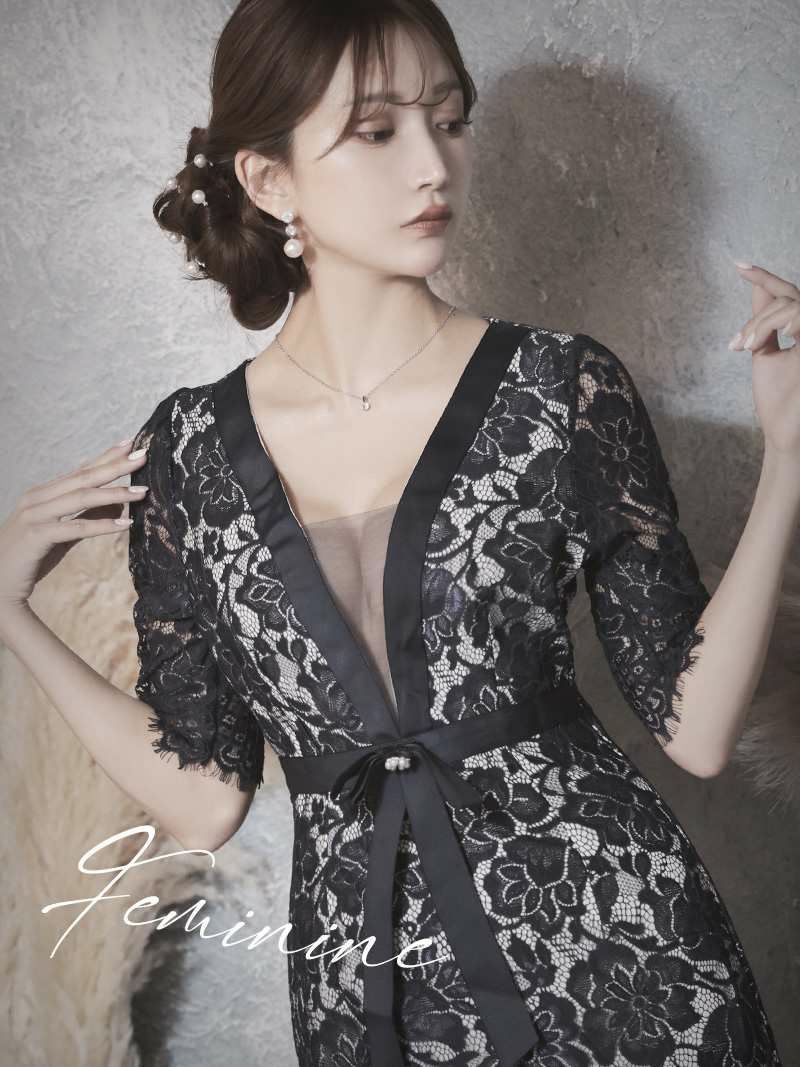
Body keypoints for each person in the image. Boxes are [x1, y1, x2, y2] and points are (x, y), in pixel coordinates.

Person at [1, 1, 798, 1064]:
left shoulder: (558, 386)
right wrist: (9, 612)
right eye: (376, 130)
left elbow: (695, 730)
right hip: (368, 991)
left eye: (450, 120)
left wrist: (786, 457)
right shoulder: (190, 452)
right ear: (269, 179)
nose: (434, 165)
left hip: (624, 957)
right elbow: (201, 800)